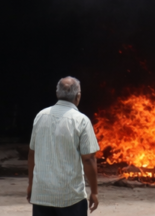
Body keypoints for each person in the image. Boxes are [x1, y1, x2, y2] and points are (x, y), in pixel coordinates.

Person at [27, 76, 100, 215]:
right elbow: (89, 159)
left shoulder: (40, 116)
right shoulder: (81, 121)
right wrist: (94, 192)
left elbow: (32, 154)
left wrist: (31, 185)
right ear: (78, 96)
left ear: (57, 94)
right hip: (70, 197)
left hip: (41, 195)